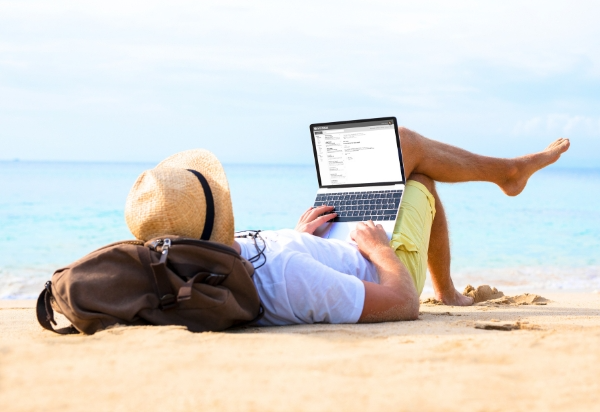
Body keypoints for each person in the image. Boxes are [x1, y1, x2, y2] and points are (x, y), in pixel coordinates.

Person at [124, 128, 570, 326]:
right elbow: (400, 304)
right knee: (418, 173)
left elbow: (267, 260)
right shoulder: (289, 279)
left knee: (403, 152)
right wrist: (379, 251)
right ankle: (506, 177)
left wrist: (296, 235)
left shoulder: (203, 263)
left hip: (321, 243)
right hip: (382, 266)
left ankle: (507, 174)